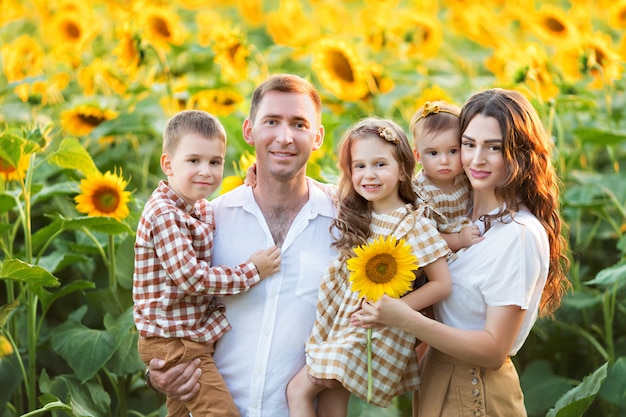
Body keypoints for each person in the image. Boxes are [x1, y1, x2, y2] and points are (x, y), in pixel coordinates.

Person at [352, 89, 570, 417]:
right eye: (468, 144)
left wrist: (404, 317)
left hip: (475, 389)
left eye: (494, 147)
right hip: (436, 377)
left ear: (519, 155)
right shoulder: (455, 211)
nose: (476, 159)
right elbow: (377, 193)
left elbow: (493, 350)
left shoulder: (517, 235)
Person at [145, 74, 337, 417]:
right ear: (249, 131)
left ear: (317, 136)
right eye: (272, 122)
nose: (284, 137)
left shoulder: (343, 224)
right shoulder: (208, 221)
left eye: (299, 124)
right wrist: (158, 373)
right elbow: (166, 304)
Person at [286, 117, 452, 417]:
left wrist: (392, 311)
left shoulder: (414, 224)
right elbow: (313, 190)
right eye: (359, 166)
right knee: (330, 404)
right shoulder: (356, 211)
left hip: (377, 330)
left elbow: (442, 284)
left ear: (403, 170)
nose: (368, 175)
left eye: (379, 164)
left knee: (298, 389)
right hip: (346, 324)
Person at [133, 109, 282, 417]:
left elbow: (217, 211)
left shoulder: (195, 206)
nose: (206, 171)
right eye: (194, 161)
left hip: (181, 336)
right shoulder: (165, 215)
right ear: (167, 164)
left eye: (215, 162)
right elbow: (191, 279)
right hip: (175, 341)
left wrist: (250, 183)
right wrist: (253, 272)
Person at [410, 100, 483, 252]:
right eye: (433, 153)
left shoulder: (465, 176)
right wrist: (459, 239)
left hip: (469, 235)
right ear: (417, 156)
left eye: (453, 151)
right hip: (439, 253)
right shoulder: (420, 193)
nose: (444, 161)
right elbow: (425, 237)